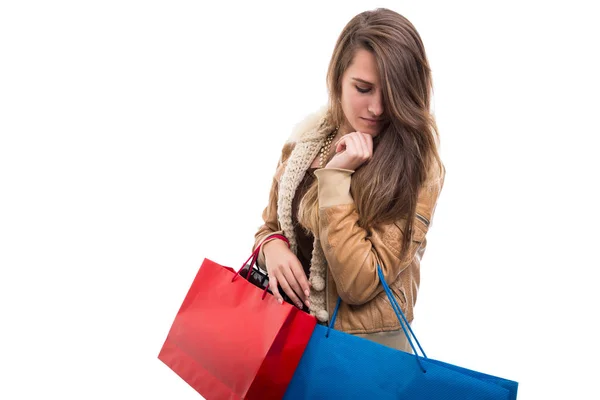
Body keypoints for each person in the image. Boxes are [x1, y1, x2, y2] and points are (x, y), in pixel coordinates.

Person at [252, 8, 445, 353]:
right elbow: (267, 228)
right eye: (364, 88)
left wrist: (336, 179)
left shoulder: (417, 168)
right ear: (338, 78)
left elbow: (360, 283)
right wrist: (273, 248)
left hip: (363, 357)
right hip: (289, 341)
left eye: (391, 92)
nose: (378, 108)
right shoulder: (304, 145)